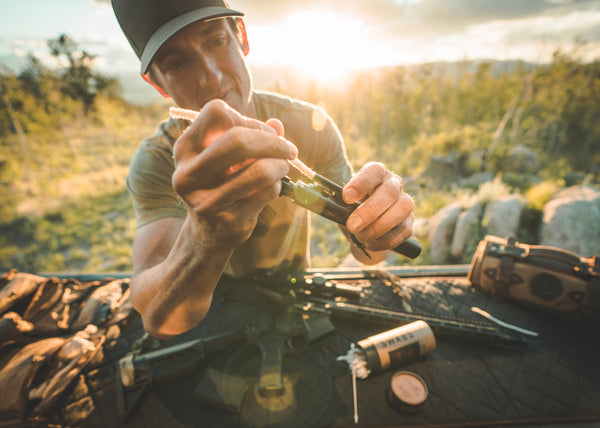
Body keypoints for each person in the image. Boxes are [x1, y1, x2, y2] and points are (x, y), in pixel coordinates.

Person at [111, 0, 415, 339]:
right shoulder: (157, 160)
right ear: (157, 84)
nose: (211, 78)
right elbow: (157, 318)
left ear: (241, 36)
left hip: (295, 298)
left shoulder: (308, 125)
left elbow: (368, 251)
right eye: (177, 62)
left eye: (216, 41)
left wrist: (382, 224)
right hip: (210, 314)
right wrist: (205, 236)